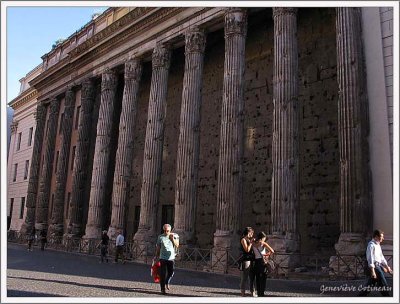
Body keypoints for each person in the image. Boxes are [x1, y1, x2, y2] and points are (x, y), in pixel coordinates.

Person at [358, 229, 393, 297]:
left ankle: (360, 296)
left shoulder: (378, 245)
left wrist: (387, 267)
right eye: (381, 236)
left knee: (371, 284)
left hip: (378, 266)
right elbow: (370, 258)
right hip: (375, 267)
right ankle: (388, 298)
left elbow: (381, 258)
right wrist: (373, 271)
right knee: (383, 283)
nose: (383, 238)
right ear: (376, 237)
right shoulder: (371, 245)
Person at [155, 223, 179, 295]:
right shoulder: (160, 237)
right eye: (165, 231)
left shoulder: (174, 236)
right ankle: (162, 289)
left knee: (171, 272)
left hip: (171, 258)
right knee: (162, 274)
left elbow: (177, 245)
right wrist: (156, 256)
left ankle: (167, 281)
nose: (166, 232)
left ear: (170, 230)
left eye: (167, 231)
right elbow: (158, 248)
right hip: (162, 257)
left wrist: (173, 239)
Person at [253, 231, 274, 297]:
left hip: (256, 262)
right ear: (262, 237)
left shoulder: (253, 243)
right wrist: (266, 255)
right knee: (263, 278)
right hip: (262, 262)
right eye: (264, 238)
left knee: (258, 278)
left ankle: (259, 293)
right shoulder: (263, 243)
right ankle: (262, 294)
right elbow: (272, 251)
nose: (265, 239)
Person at [239, 227, 256, 297]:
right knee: (245, 277)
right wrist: (251, 243)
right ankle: (243, 293)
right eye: (252, 232)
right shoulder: (243, 239)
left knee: (252, 277)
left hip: (252, 259)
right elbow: (247, 250)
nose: (253, 234)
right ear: (248, 232)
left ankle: (253, 292)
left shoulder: (249, 240)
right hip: (246, 260)